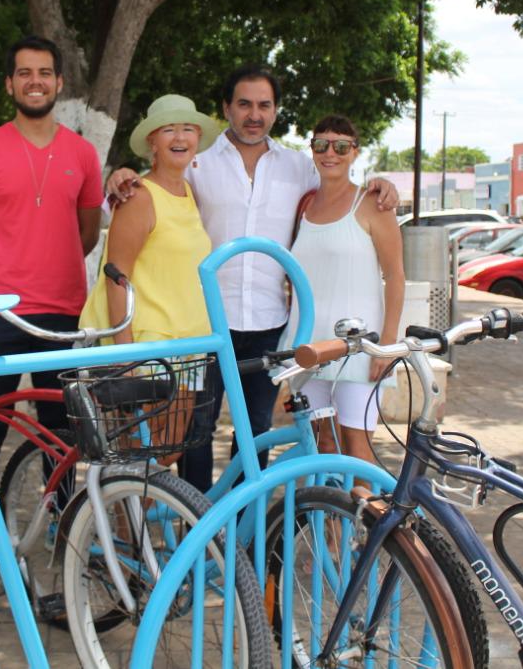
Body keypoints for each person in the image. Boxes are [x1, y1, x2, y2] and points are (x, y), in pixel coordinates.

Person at [107, 65, 400, 492]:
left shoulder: (299, 167)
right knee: (196, 431)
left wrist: (381, 183)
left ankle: (245, 525)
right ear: (226, 108)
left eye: (264, 105)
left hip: (269, 322)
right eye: (244, 104)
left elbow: (338, 183)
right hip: (207, 322)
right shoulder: (198, 163)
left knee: (256, 431)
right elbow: (154, 189)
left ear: (276, 111)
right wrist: (120, 176)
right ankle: (199, 518)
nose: (254, 115)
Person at [0, 35, 103, 471]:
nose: (34, 82)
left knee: (61, 434)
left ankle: (60, 511)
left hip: (62, 312)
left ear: (59, 83)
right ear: (9, 84)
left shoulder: (83, 153)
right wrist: (4, 264)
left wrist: (49, 259)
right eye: (24, 73)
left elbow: (87, 234)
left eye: (44, 73)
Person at [78, 95, 220, 460]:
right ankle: (119, 504)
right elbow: (116, 276)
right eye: (169, 129)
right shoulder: (140, 196)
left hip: (188, 342)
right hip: (148, 341)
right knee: (140, 459)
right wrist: (126, 357)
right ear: (152, 142)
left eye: (188, 129)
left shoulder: (189, 193)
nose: (180, 137)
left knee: (168, 453)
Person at [282, 115, 404, 489]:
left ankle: (363, 524)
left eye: (340, 146)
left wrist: (386, 345)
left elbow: (395, 276)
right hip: (308, 345)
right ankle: (327, 526)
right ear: (312, 150)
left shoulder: (372, 204)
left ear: (355, 152)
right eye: (321, 145)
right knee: (320, 445)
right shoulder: (304, 204)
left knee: (357, 447)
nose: (330, 153)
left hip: (358, 347)